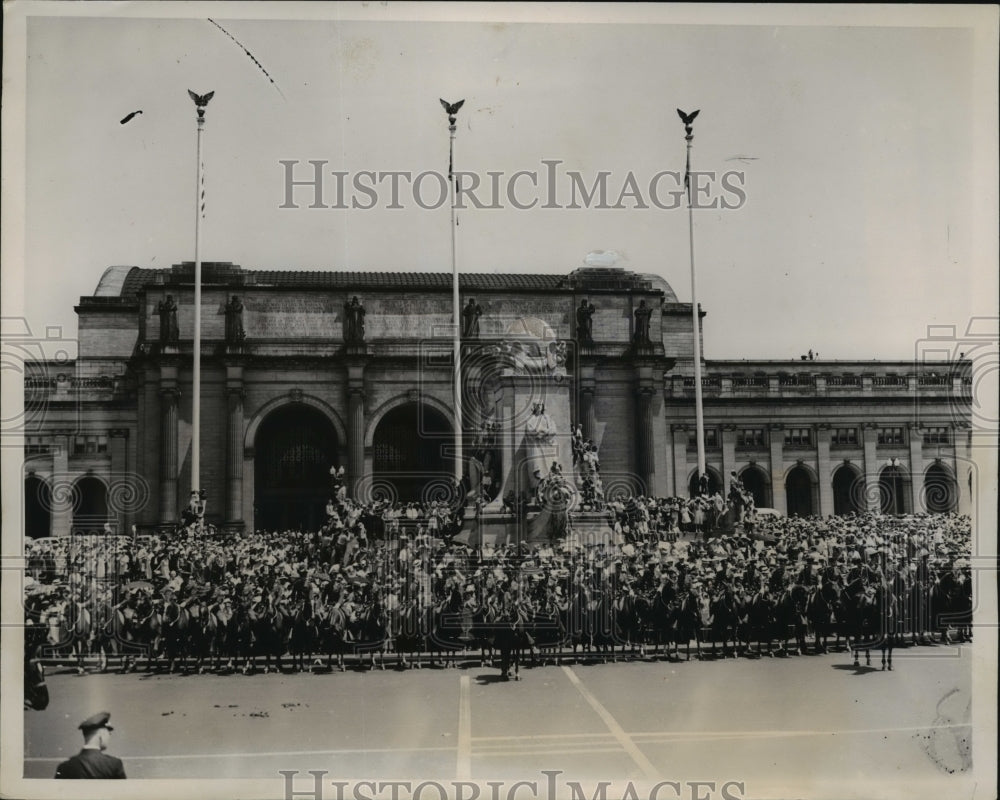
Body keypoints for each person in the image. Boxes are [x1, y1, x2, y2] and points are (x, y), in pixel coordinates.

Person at [54, 711, 126, 779]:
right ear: (101, 734)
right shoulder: (114, 764)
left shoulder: (65, 767)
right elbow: (123, 791)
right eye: (108, 733)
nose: (109, 737)